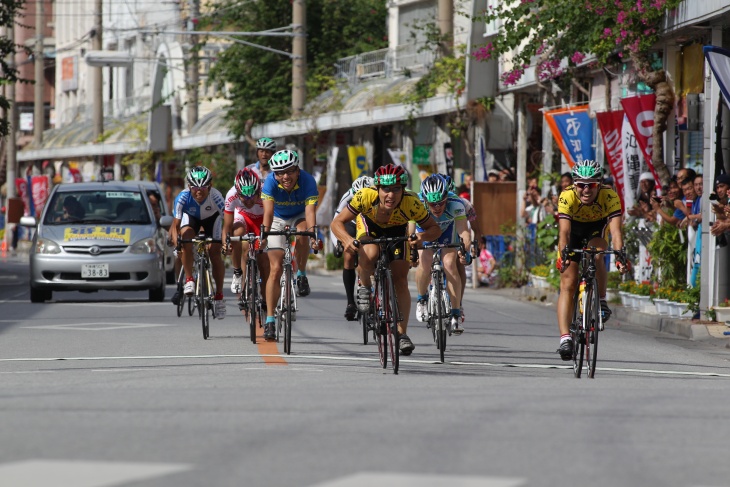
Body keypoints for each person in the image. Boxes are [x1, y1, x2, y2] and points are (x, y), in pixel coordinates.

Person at [331, 164, 440, 356]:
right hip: (369, 227)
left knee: (400, 279)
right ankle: (365, 287)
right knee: (370, 254)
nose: (391, 195)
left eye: (397, 189)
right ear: (377, 189)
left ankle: (402, 334)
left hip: (397, 231)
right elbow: (336, 222)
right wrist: (347, 240)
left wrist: (421, 238)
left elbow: (434, 229)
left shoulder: (412, 202)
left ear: (403, 189)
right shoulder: (365, 196)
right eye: (386, 189)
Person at [555, 160, 629, 360]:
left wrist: (621, 256)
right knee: (568, 284)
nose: (586, 189)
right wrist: (563, 255)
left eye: (592, 185)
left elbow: (615, 231)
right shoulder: (567, 196)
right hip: (573, 232)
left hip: (596, 230)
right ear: (574, 184)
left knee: (597, 254)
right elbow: (564, 232)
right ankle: (565, 339)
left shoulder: (610, 196)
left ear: (600, 184)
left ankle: (601, 300)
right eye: (581, 185)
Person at [260, 149, 321, 341]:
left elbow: (310, 211)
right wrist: (264, 234)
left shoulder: (308, 181)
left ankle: (301, 273)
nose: (285, 176)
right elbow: (268, 213)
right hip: (277, 218)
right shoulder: (269, 182)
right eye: (280, 173)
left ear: (298, 170)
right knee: (275, 269)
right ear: (274, 174)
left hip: (299, 216)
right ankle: (270, 320)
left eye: (290, 171)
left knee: (303, 232)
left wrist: (313, 234)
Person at [413, 175, 472, 334]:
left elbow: (464, 232)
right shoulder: (416, 203)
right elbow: (410, 232)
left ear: (447, 197)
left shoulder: (456, 204)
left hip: (447, 232)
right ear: (425, 200)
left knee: (450, 266)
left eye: (441, 203)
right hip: (424, 231)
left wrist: (465, 250)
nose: (437, 207)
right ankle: (421, 299)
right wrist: (411, 250)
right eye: (432, 204)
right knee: (424, 264)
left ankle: (456, 314)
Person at [169, 166, 227, 320]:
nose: (199, 191)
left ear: (210, 186)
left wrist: (226, 240)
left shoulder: (216, 197)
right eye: (195, 188)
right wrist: (178, 244)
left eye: (203, 187)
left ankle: (219, 296)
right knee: (186, 237)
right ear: (189, 187)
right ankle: (189, 280)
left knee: (215, 253)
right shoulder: (182, 197)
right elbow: (175, 226)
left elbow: (228, 221)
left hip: (212, 220)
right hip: (191, 219)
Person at [222, 169, 269, 303]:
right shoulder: (231, 195)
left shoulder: (266, 191)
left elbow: (272, 216)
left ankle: (266, 301)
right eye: (244, 197)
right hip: (243, 217)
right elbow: (227, 226)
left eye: (252, 196)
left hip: (262, 219)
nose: (248, 201)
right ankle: (237, 272)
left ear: (258, 191)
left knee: (264, 262)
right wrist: (226, 243)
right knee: (236, 233)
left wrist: (265, 236)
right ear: (238, 193)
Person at [332, 175, 374, 321]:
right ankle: (351, 302)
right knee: (348, 255)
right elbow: (336, 221)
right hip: (352, 224)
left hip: (371, 223)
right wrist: (337, 243)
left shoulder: (377, 194)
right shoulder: (348, 195)